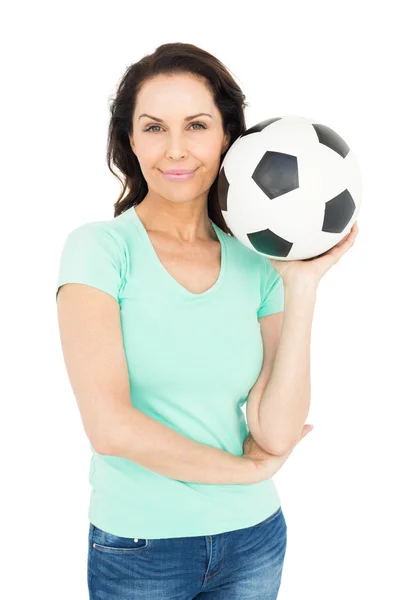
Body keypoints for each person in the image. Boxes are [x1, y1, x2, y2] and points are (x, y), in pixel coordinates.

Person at [55, 42, 358, 600]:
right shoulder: (98, 251)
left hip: (254, 539)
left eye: (196, 125)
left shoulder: (256, 259)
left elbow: (275, 430)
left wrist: (302, 284)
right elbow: (110, 427)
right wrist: (245, 472)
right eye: (153, 127)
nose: (175, 150)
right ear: (129, 139)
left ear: (227, 136)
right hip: (140, 548)